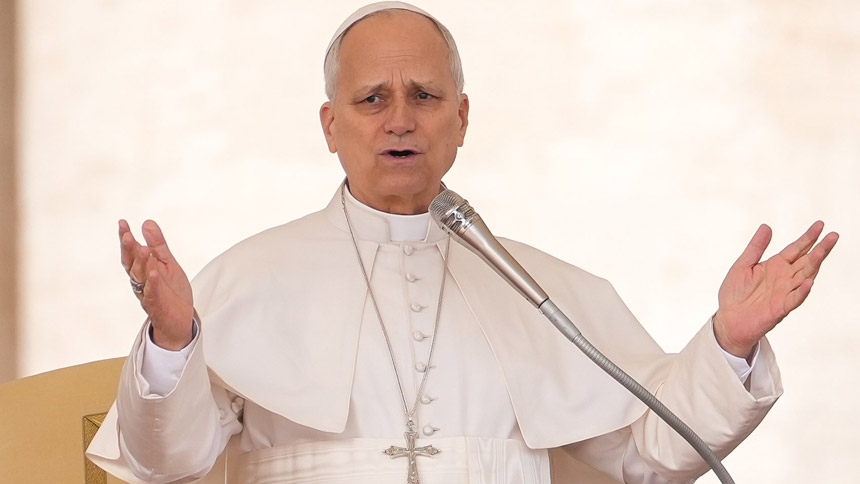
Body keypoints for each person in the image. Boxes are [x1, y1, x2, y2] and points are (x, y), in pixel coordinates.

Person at [87, 2, 839, 483]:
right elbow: (166, 463)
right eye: (372, 99)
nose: (400, 120)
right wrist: (174, 339)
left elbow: (650, 455)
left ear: (463, 118)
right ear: (330, 126)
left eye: (425, 96)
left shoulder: (539, 287)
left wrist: (729, 344)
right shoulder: (249, 276)